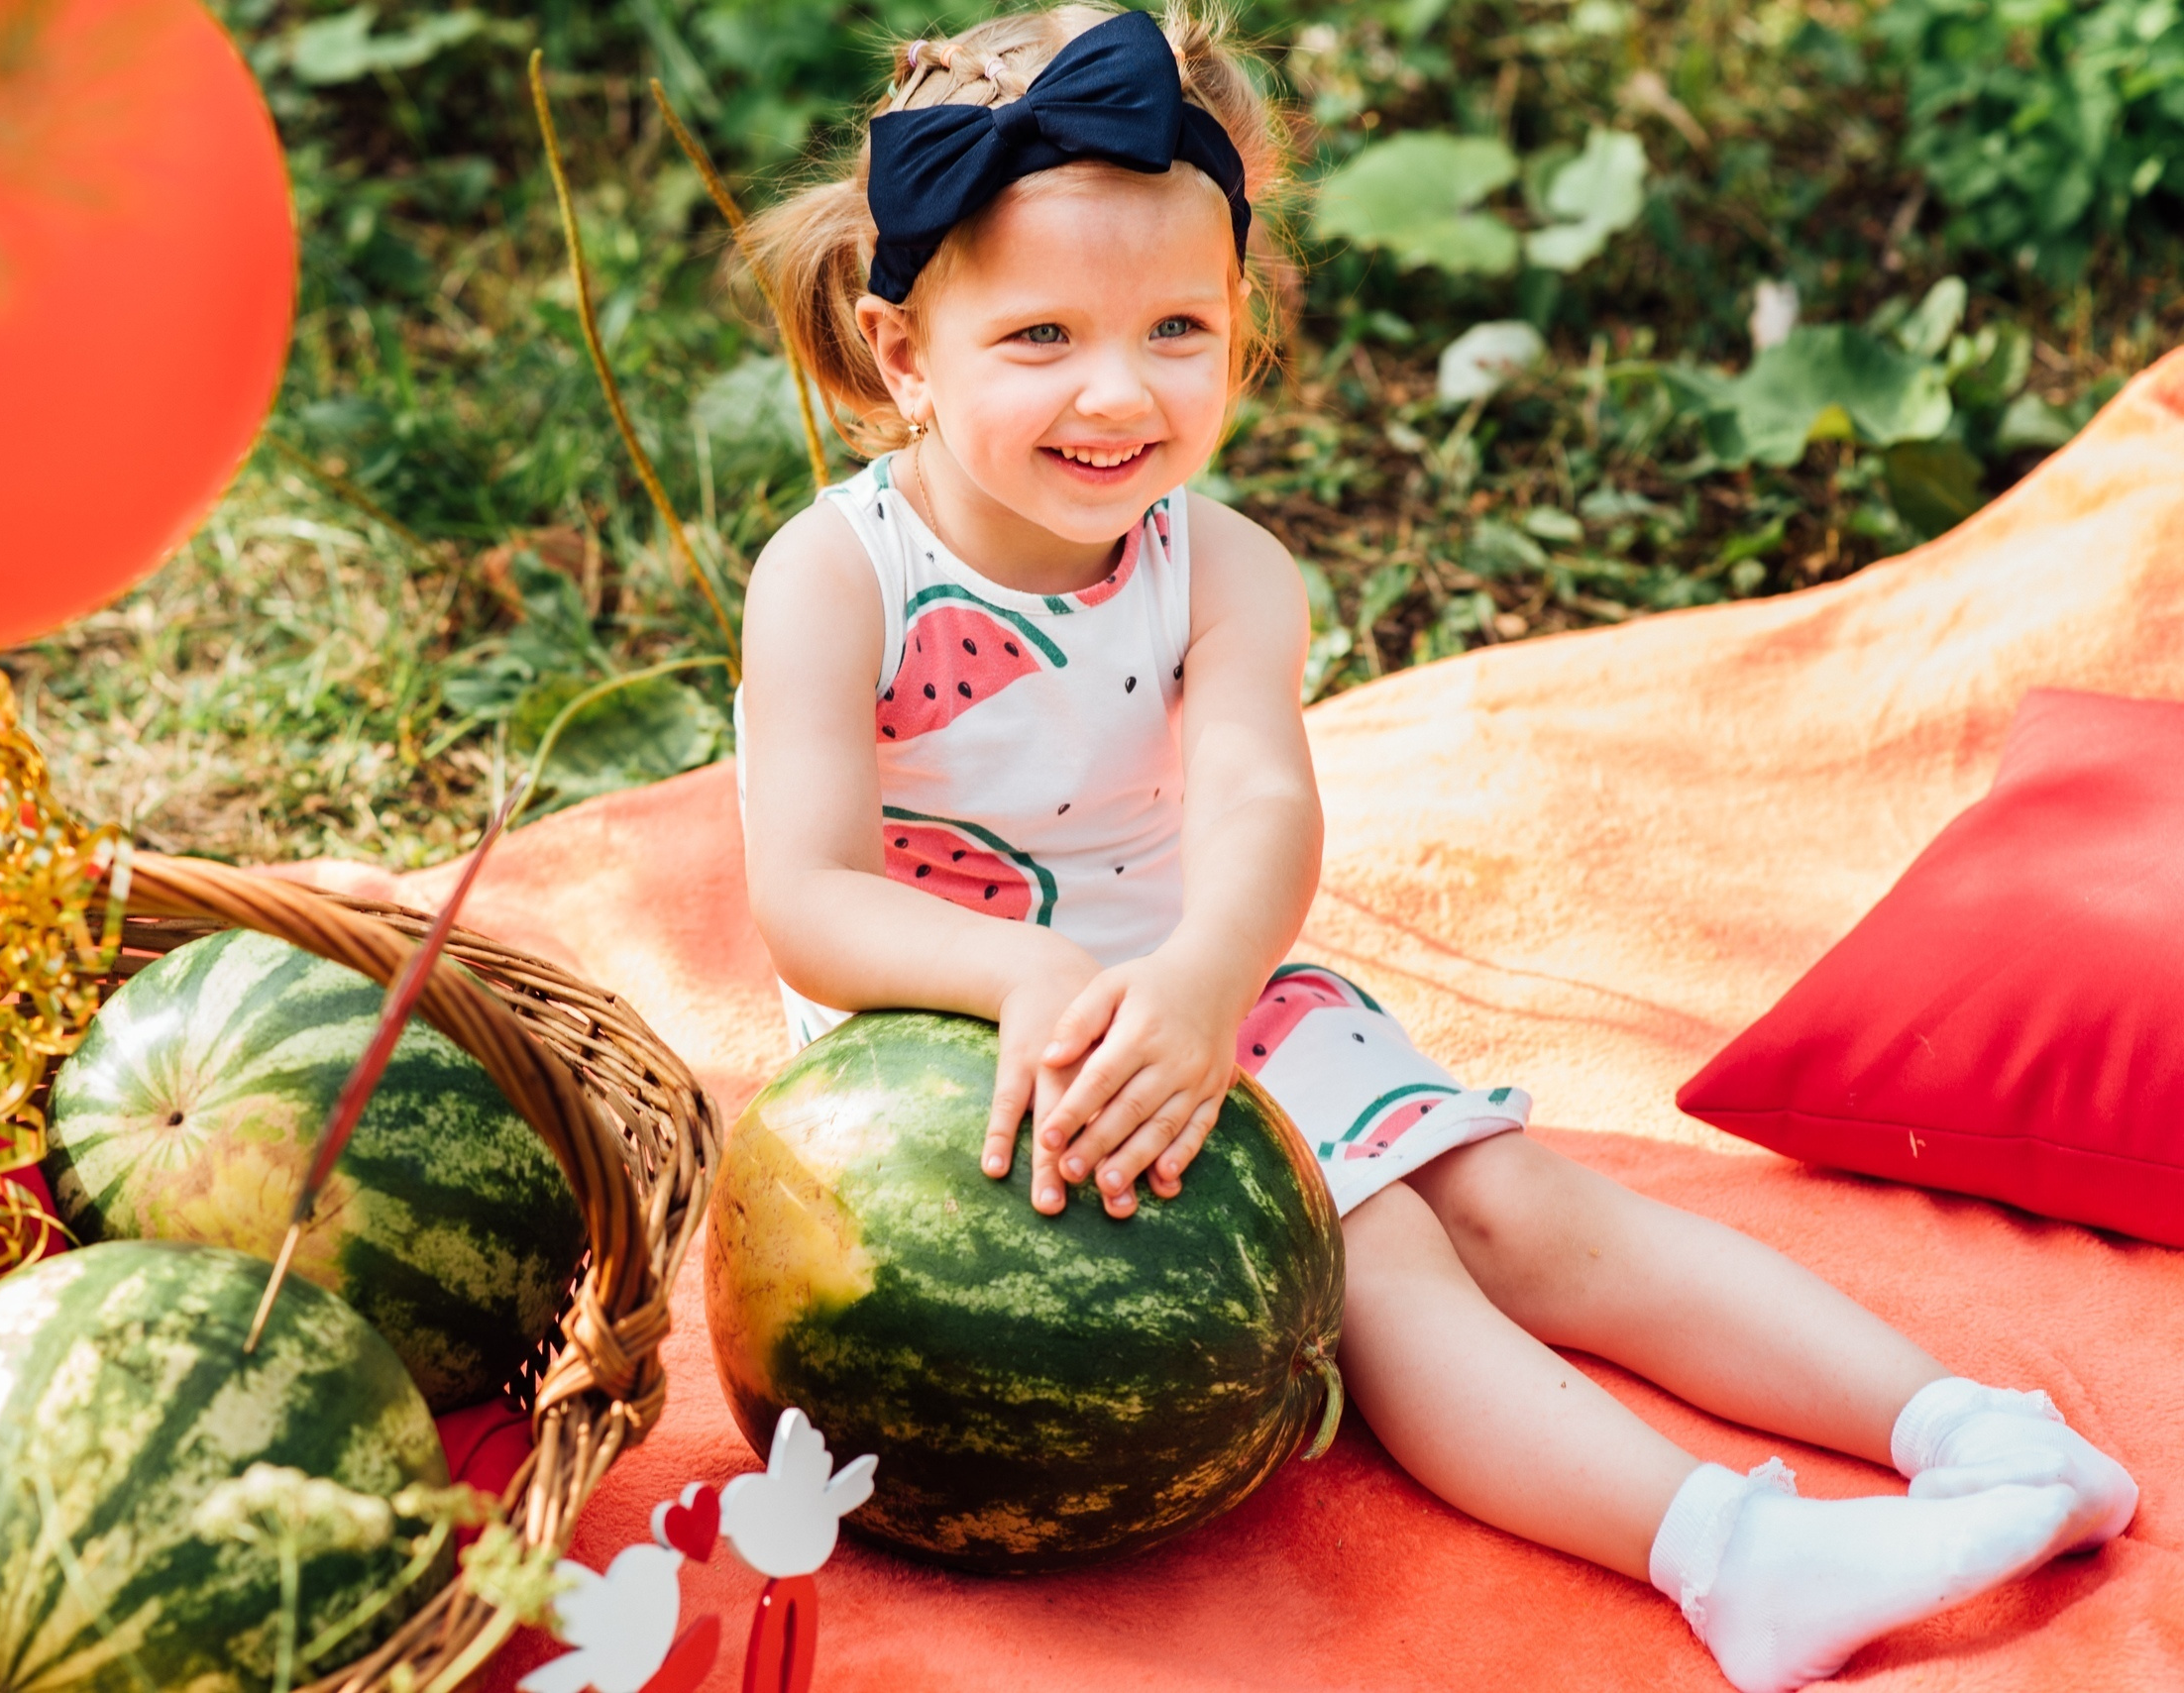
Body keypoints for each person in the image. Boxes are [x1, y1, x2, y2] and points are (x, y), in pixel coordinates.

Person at [731, 8, 2137, 1690]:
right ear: (902, 353)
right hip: (957, 1040)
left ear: (1242, 331)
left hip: (1208, 972)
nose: (1118, 392)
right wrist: (1039, 974)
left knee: (1516, 1197)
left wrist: (1198, 979)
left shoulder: (1226, 565)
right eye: (1039, 335)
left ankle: (1965, 1425)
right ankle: (1729, 1554)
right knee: (1382, 1252)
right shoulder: (835, 578)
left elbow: (1260, 806)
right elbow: (810, 900)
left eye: (1175, 326)